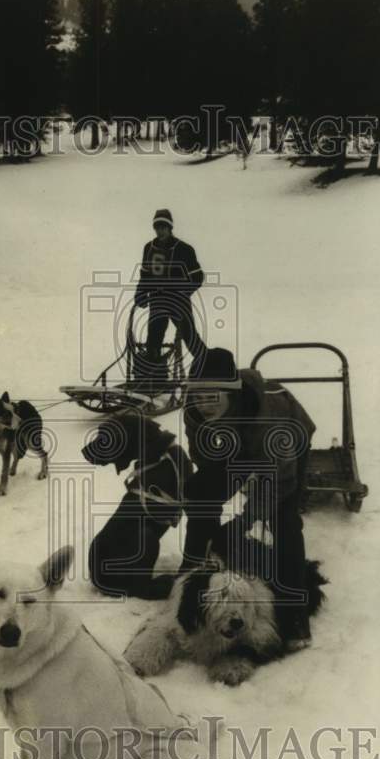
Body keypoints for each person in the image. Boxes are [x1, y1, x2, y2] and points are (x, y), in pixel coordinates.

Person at [180, 347, 316, 647]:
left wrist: (245, 520)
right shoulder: (193, 409)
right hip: (235, 442)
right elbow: (203, 458)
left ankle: (295, 616)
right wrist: (207, 490)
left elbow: (280, 480)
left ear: (231, 392)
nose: (203, 404)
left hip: (287, 440)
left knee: (284, 519)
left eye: (212, 396)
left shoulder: (266, 416)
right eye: (198, 396)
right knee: (200, 496)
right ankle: (190, 578)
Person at [133, 209, 207, 385]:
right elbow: (145, 275)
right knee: (153, 340)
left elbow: (197, 277)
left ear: (170, 227)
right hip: (157, 301)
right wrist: (140, 294)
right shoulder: (149, 248)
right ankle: (155, 379)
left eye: (164, 227)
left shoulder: (184, 249)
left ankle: (209, 370)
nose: (160, 231)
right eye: (157, 227)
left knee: (190, 338)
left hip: (178, 303)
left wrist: (182, 292)